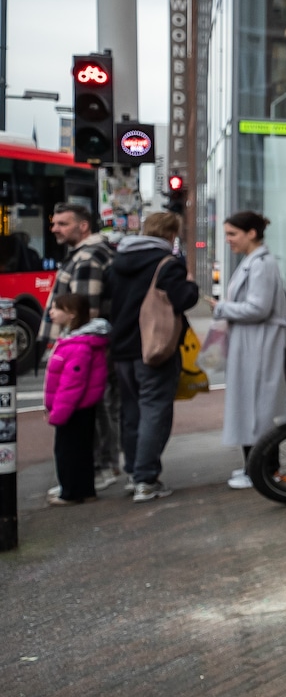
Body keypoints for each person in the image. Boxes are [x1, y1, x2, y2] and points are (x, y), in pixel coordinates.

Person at [104, 211, 199, 503]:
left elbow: (107, 303)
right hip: (154, 349)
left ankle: (134, 472)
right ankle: (146, 478)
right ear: (171, 235)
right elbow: (184, 299)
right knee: (155, 410)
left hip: (121, 349)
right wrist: (191, 284)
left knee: (131, 412)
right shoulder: (167, 264)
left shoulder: (117, 263)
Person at [41, 202, 124, 491]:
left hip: (84, 349)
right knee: (99, 406)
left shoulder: (88, 257)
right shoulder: (85, 254)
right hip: (86, 347)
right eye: (54, 223)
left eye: (62, 223)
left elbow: (82, 311)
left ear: (83, 225)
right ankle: (99, 467)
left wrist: (67, 343)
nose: (55, 229)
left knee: (95, 408)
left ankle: (102, 468)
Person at [212, 211, 286, 489]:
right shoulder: (253, 262)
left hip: (258, 344)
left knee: (257, 407)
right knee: (251, 405)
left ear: (251, 234)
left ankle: (262, 470)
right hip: (251, 343)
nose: (229, 240)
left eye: (233, 234)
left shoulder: (261, 265)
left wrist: (221, 308)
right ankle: (253, 467)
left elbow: (259, 308)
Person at [42, 293, 111, 505]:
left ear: (71, 314)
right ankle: (84, 489)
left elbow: (72, 385)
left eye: (56, 308)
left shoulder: (78, 345)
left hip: (73, 408)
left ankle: (71, 492)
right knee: (81, 449)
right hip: (79, 406)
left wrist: (57, 414)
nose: (51, 312)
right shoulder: (76, 341)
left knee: (68, 451)